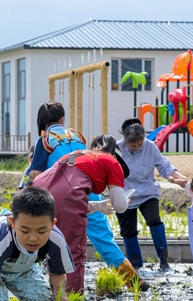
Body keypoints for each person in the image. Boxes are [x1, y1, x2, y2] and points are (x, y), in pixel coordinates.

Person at [27, 101, 141, 285]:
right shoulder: (77, 137)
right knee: (104, 238)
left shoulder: (45, 140)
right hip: (89, 190)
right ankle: (133, 281)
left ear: (42, 121)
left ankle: (58, 287)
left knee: (58, 242)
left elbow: (36, 174)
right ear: (62, 119)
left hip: (64, 194)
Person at [116, 121, 188, 271]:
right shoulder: (117, 148)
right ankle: (136, 266)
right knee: (128, 230)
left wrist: (179, 177)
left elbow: (164, 166)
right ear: (125, 141)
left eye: (139, 144)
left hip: (147, 192)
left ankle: (164, 262)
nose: (137, 148)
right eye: (133, 146)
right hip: (125, 194)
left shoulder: (150, 146)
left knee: (155, 221)